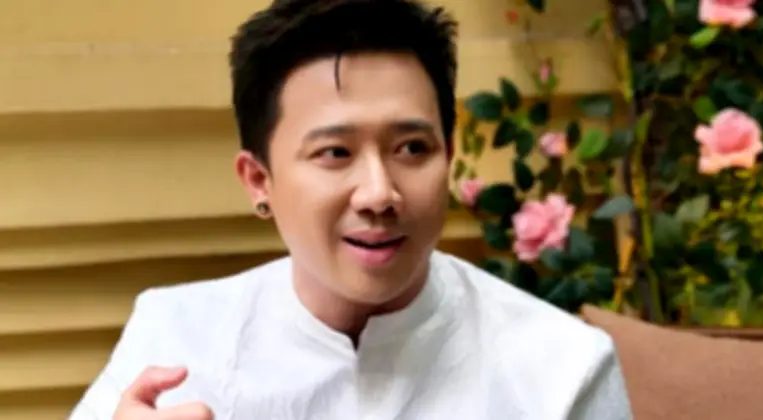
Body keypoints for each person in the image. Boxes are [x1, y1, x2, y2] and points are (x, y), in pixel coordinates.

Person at [69, 0, 633, 418]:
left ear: (450, 154)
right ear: (259, 180)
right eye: (335, 153)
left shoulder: (564, 369)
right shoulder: (175, 336)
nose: (379, 193)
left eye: (412, 148)